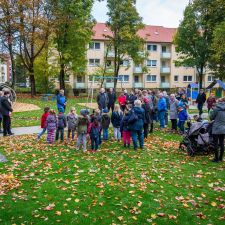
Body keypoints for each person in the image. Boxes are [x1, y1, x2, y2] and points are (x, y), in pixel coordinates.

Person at [210, 97, 225, 163]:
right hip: (223, 127)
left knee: (215, 143)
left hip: (216, 127)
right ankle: (220, 158)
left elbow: (211, 117)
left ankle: (216, 159)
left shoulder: (216, 109)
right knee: (221, 143)